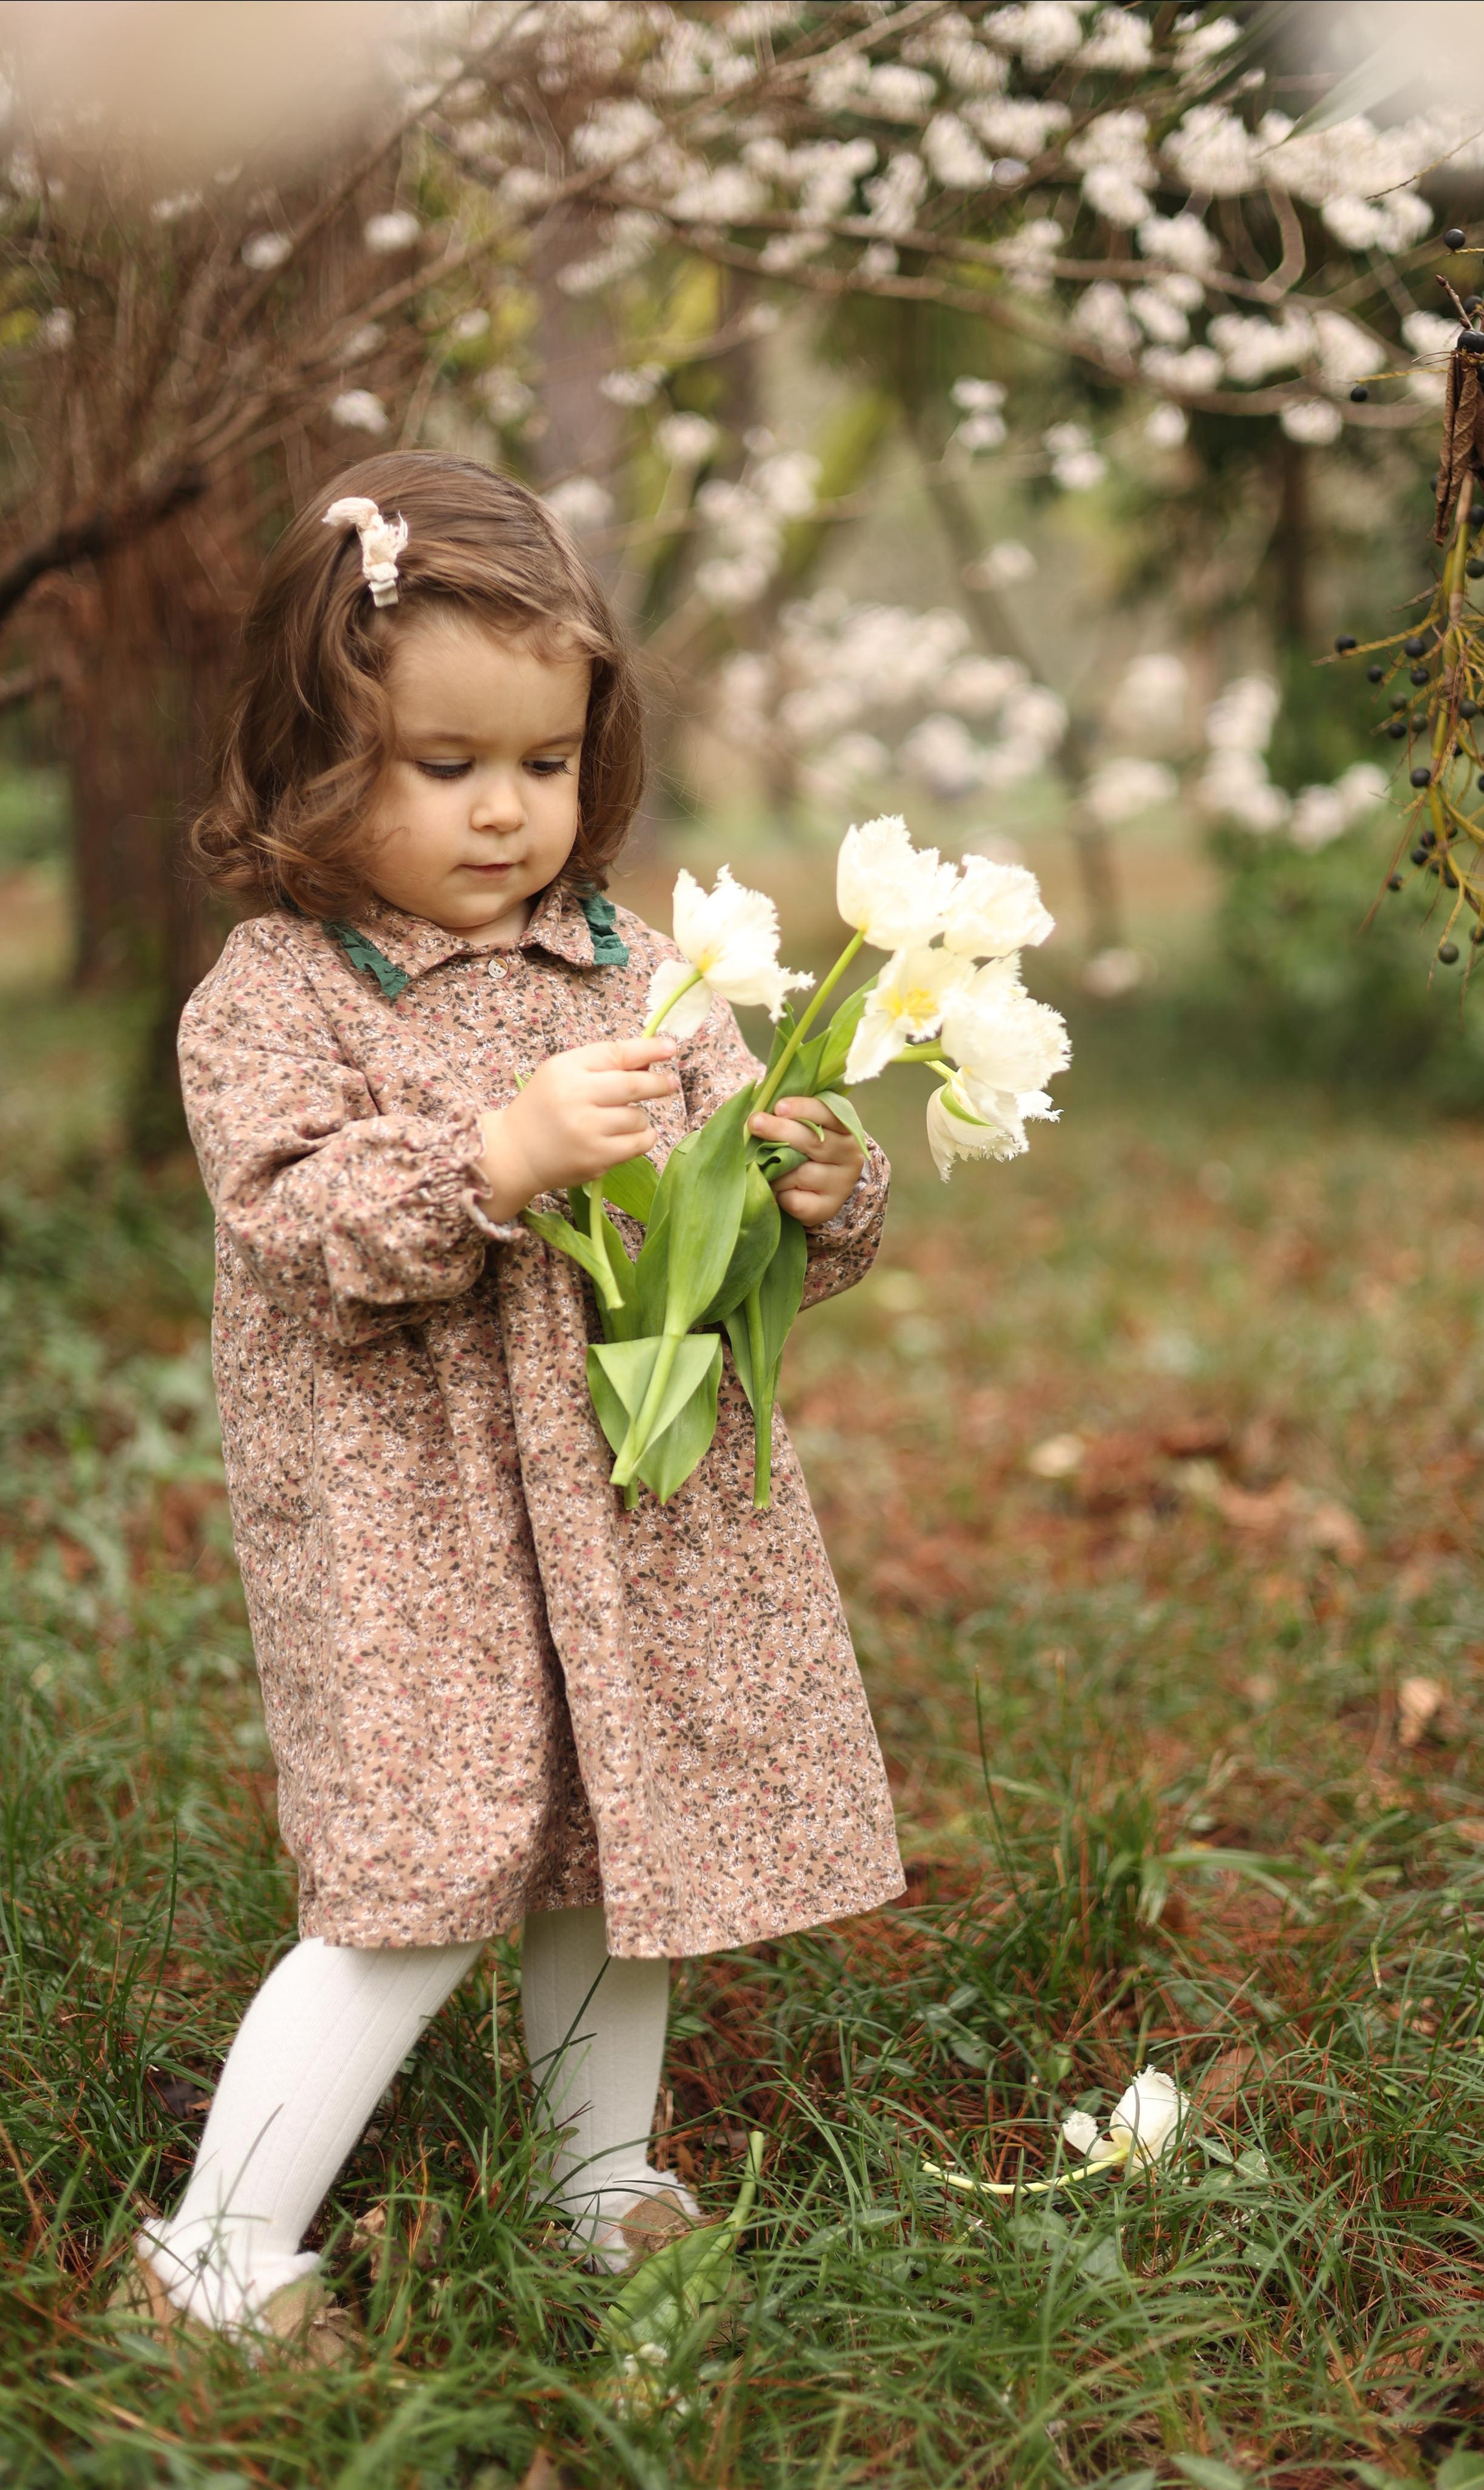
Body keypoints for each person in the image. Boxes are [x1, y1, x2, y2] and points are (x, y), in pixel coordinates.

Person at [119, 451, 904, 2356]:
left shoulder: (635, 966)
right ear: (317, 760)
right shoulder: (277, 994)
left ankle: (598, 2178)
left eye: (542, 764)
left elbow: (725, 1214)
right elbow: (307, 1230)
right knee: (414, 1880)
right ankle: (218, 2256)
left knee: (613, 1850)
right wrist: (502, 1151)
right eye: (442, 765)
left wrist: (818, 1187)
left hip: (632, 1513)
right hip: (415, 1526)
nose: (504, 812)